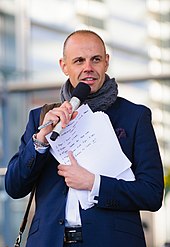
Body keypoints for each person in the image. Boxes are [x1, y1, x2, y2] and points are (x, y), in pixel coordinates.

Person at [5, 30, 164, 247]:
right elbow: (14, 187)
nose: (88, 68)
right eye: (79, 60)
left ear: (106, 62)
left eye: (95, 59)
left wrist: (94, 184)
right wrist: (41, 141)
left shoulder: (134, 116)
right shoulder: (41, 117)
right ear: (64, 66)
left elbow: (152, 194)